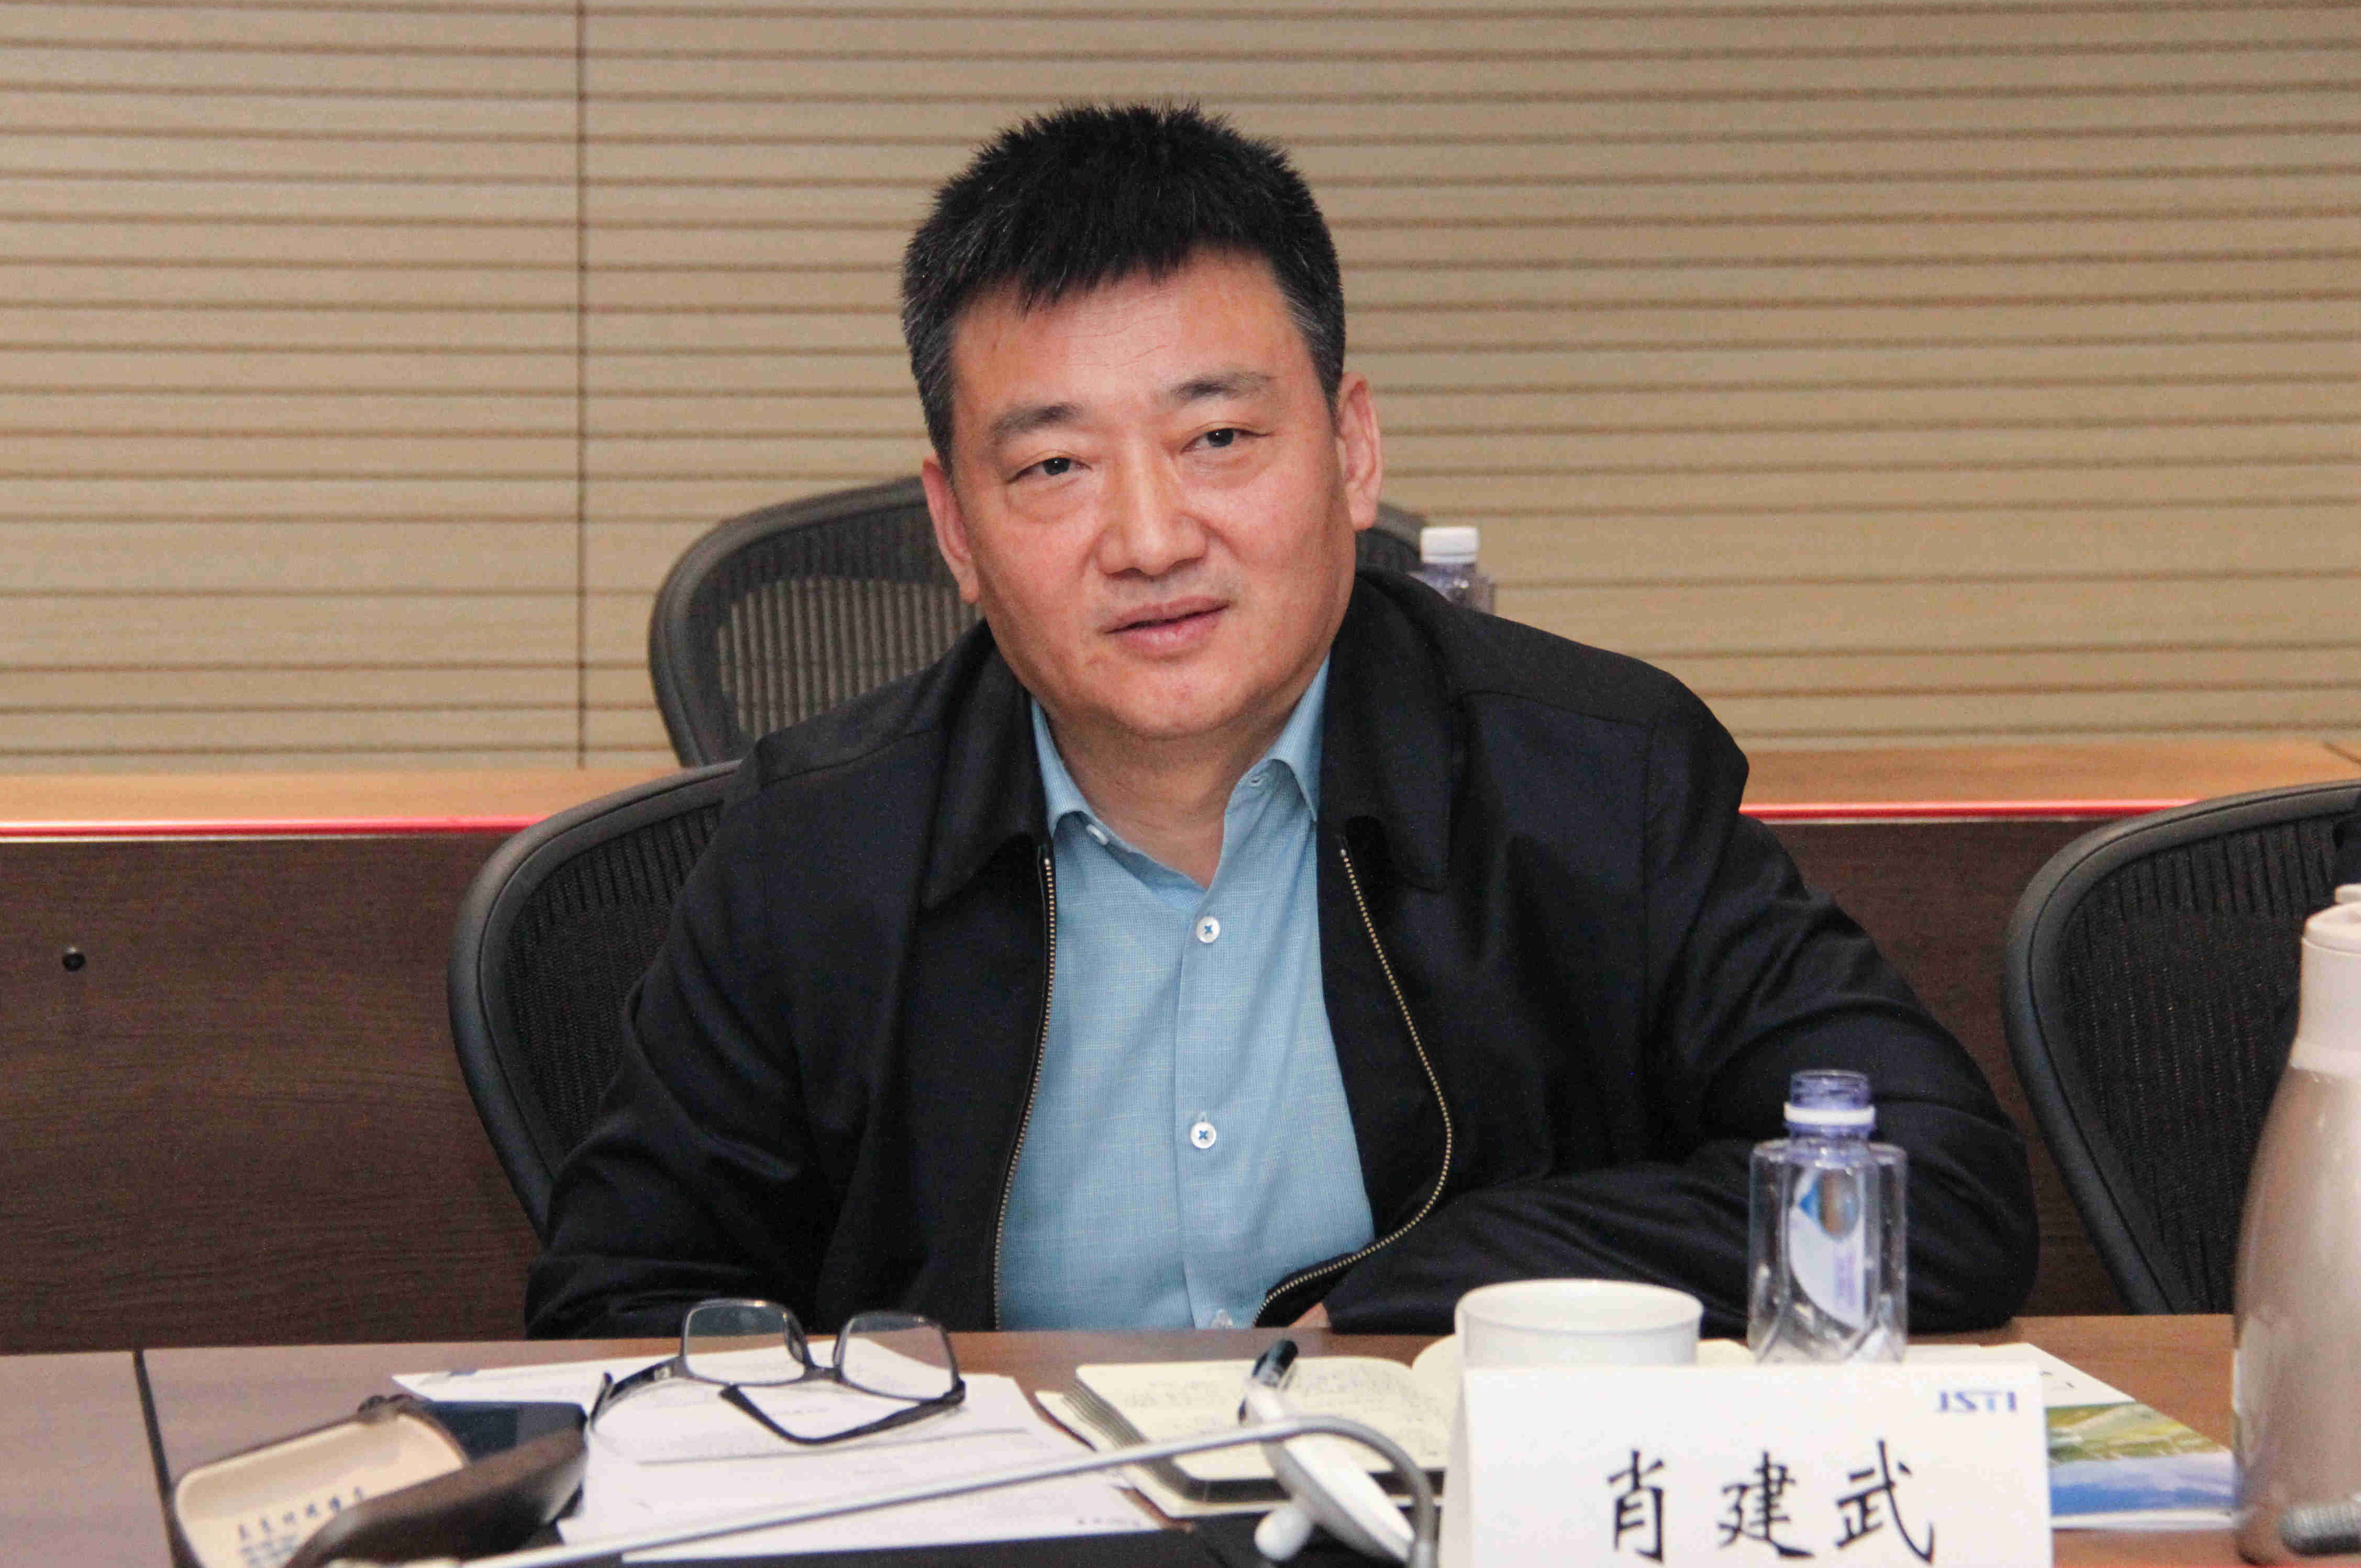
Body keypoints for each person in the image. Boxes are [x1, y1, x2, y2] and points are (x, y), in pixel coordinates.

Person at [527, 103, 2037, 1340]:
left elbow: (1931, 1190)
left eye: (1219, 437)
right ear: (957, 530)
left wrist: (1444, 1283)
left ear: (1354, 450)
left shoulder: (1590, 779)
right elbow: (621, 1308)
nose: (1149, 538)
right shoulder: (815, 846)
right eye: (1054, 468)